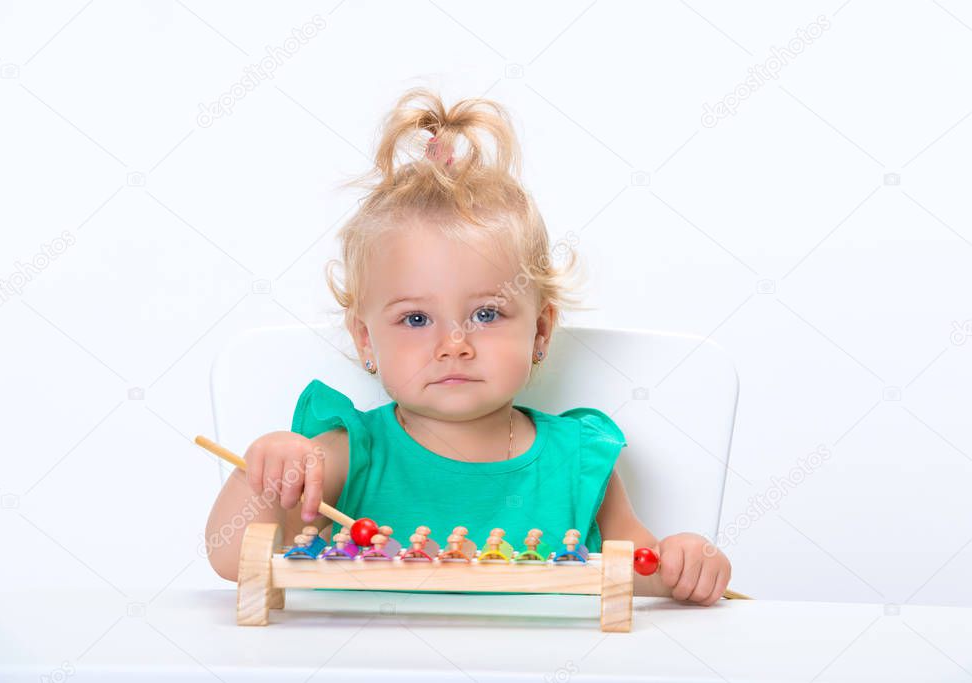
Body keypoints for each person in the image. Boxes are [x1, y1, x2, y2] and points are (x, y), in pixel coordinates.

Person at [205, 87, 731, 605]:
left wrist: (681, 565)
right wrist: (266, 473)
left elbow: (639, 568)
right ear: (366, 338)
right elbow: (232, 562)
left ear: (541, 332)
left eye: (486, 314)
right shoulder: (348, 456)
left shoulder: (577, 462)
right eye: (415, 318)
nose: (453, 345)